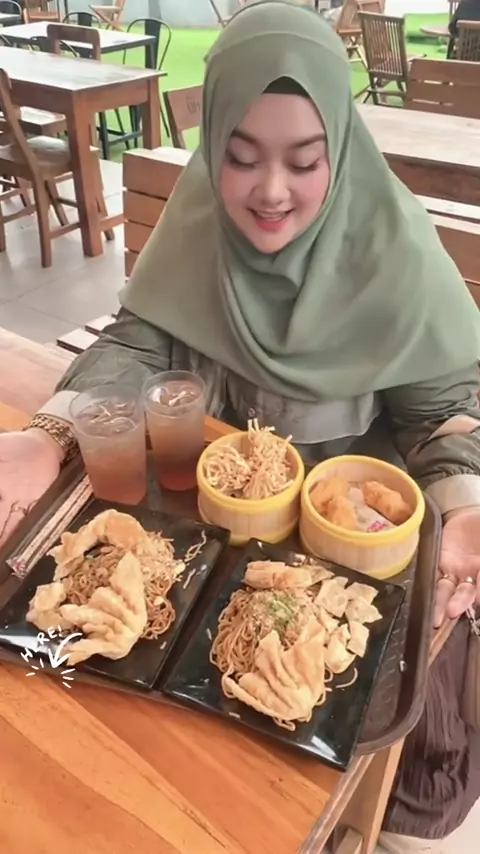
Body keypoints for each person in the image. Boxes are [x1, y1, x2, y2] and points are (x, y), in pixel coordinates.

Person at [1, 2, 480, 850]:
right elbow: (138, 340)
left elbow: (444, 409)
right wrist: (50, 435)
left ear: (341, 147)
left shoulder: (393, 246)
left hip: (342, 539)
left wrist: (466, 503)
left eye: (305, 160)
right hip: (203, 521)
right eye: (240, 155)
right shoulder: (198, 221)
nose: (271, 191)